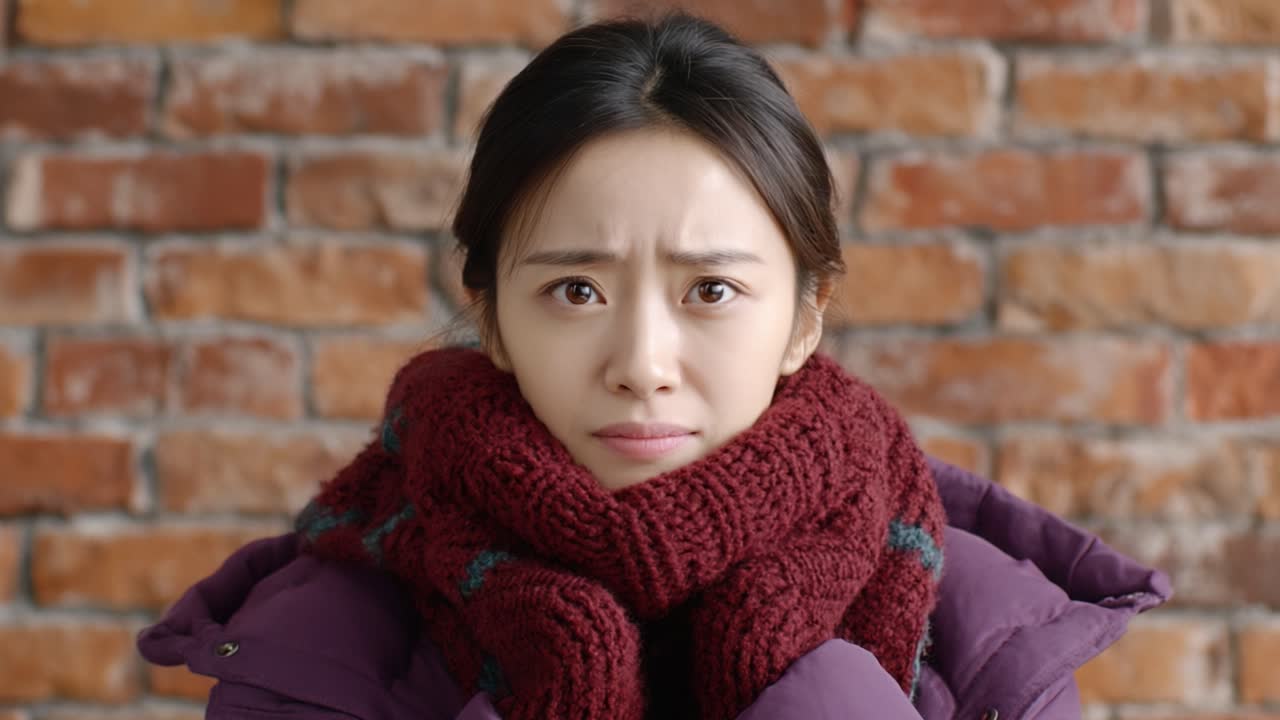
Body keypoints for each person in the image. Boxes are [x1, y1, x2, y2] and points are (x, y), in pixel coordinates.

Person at [136, 12, 1171, 720]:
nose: (639, 363)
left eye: (709, 292)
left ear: (805, 318)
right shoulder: (316, 645)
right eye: (573, 290)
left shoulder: (986, 634)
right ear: (491, 318)